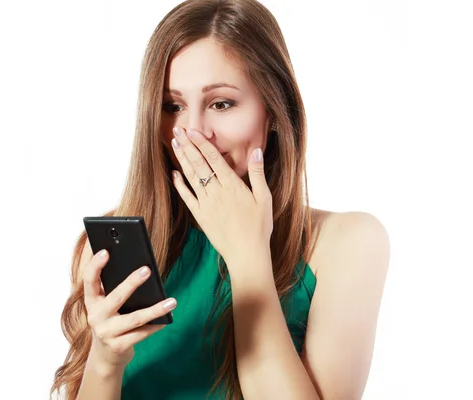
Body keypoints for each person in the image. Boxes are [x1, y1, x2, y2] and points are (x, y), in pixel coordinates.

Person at [51, 0, 390, 399]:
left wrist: (248, 258)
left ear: (276, 112)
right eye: (172, 106)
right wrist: (106, 359)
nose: (193, 131)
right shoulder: (116, 244)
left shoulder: (346, 242)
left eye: (221, 103)